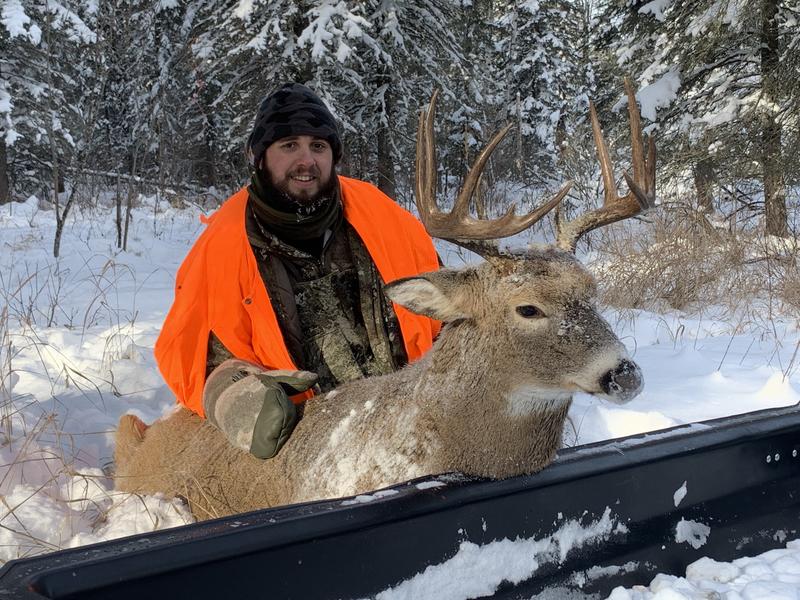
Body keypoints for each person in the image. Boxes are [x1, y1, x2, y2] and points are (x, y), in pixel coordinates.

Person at [154, 83, 440, 459]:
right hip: (305, 441)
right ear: (260, 157)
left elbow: (441, 306)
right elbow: (196, 358)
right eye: (289, 145)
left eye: (318, 147)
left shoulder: (384, 217)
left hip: (408, 416)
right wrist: (236, 397)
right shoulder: (223, 246)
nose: (306, 160)